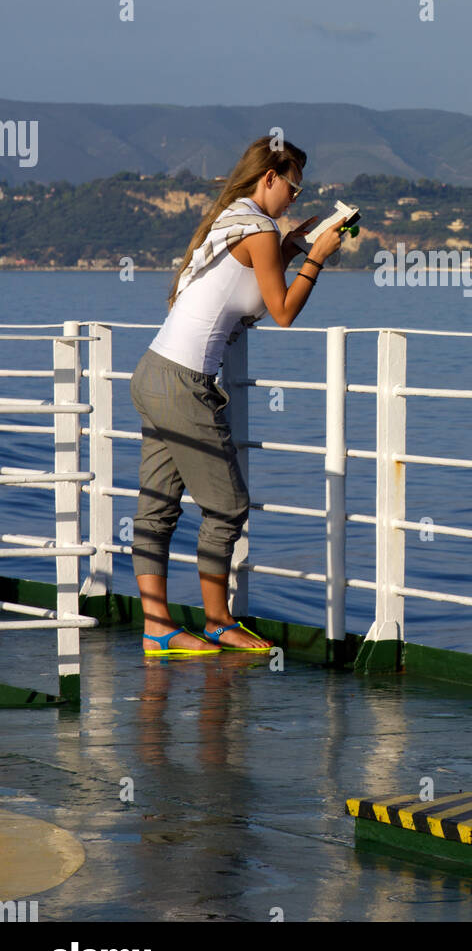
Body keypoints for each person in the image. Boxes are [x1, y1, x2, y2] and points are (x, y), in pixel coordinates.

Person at [128, 135, 342, 656]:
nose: (296, 196)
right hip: (183, 384)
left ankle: (157, 629)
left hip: (154, 371)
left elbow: (249, 289)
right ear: (270, 177)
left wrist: (293, 246)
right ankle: (219, 621)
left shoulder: (236, 219)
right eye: (294, 185)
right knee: (227, 507)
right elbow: (284, 311)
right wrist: (316, 257)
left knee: (157, 509)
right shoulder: (260, 229)